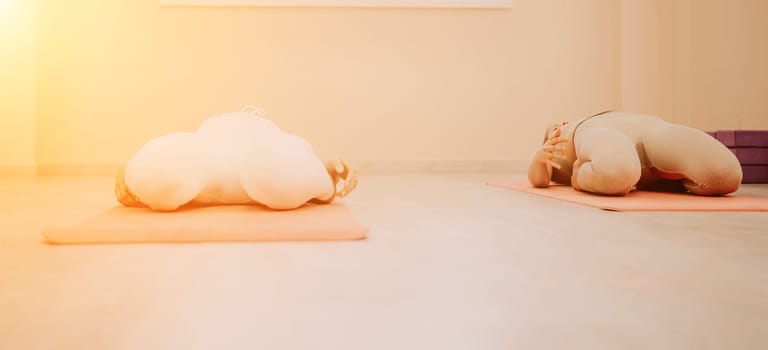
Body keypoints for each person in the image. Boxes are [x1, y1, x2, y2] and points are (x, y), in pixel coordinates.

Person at [114, 106, 357, 211]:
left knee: (272, 170)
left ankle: (323, 182)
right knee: (165, 173)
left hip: (263, 151)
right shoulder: (199, 147)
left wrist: (328, 177)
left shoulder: (270, 143)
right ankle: (135, 177)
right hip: (207, 154)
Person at [528, 111, 742, 196]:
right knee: (617, 171)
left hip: (646, 127)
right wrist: (539, 157)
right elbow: (539, 180)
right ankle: (582, 178)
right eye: (553, 129)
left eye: (560, 124)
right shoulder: (562, 142)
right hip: (598, 133)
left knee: (726, 174)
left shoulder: (585, 119)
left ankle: (662, 176)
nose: (558, 126)